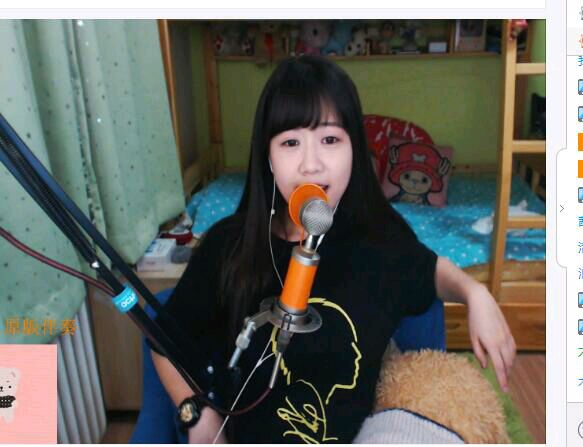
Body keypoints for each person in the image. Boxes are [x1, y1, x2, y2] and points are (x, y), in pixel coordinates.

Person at [150, 55, 516, 444]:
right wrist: (195, 413)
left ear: (354, 149)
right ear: (268, 158)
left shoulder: (379, 238)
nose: (311, 165)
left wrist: (476, 293)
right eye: (290, 142)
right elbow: (164, 341)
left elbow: (428, 270)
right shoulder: (228, 246)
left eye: (330, 140)